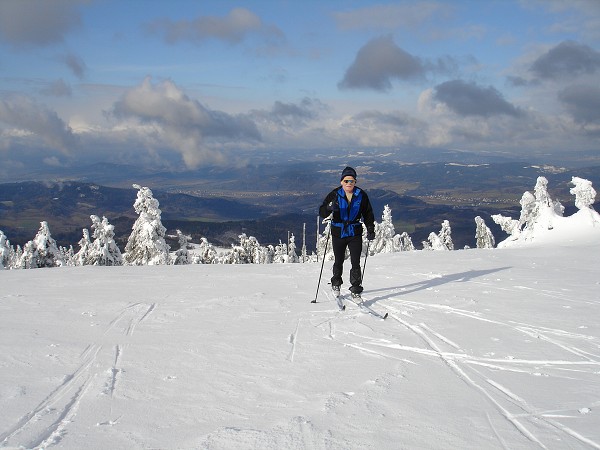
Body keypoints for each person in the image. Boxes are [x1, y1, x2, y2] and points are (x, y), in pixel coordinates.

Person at [319, 166, 375, 297]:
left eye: (352, 181)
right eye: (346, 181)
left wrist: (370, 228)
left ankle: (356, 288)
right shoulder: (334, 194)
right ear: (341, 181)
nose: (349, 183)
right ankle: (336, 283)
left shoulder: (361, 195)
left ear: (355, 182)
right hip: (338, 232)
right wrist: (329, 208)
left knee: (356, 262)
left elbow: (368, 213)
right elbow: (322, 212)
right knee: (339, 260)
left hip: (355, 232)